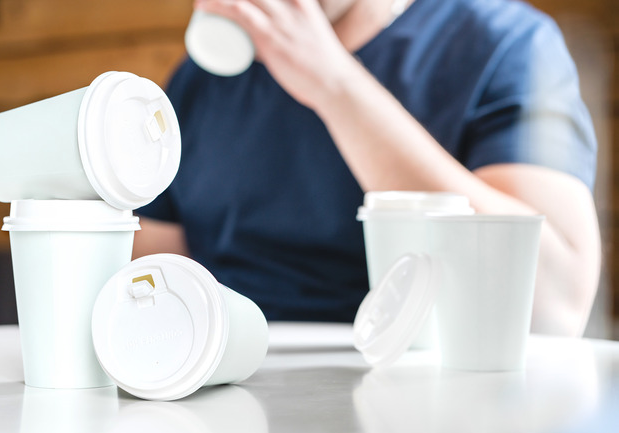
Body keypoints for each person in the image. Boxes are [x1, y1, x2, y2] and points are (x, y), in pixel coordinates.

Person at [133, 0, 601, 337]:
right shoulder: (199, 80)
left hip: (418, 390)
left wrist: (333, 83)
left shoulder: (503, 43)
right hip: (227, 377)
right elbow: (147, 280)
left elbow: (552, 304)